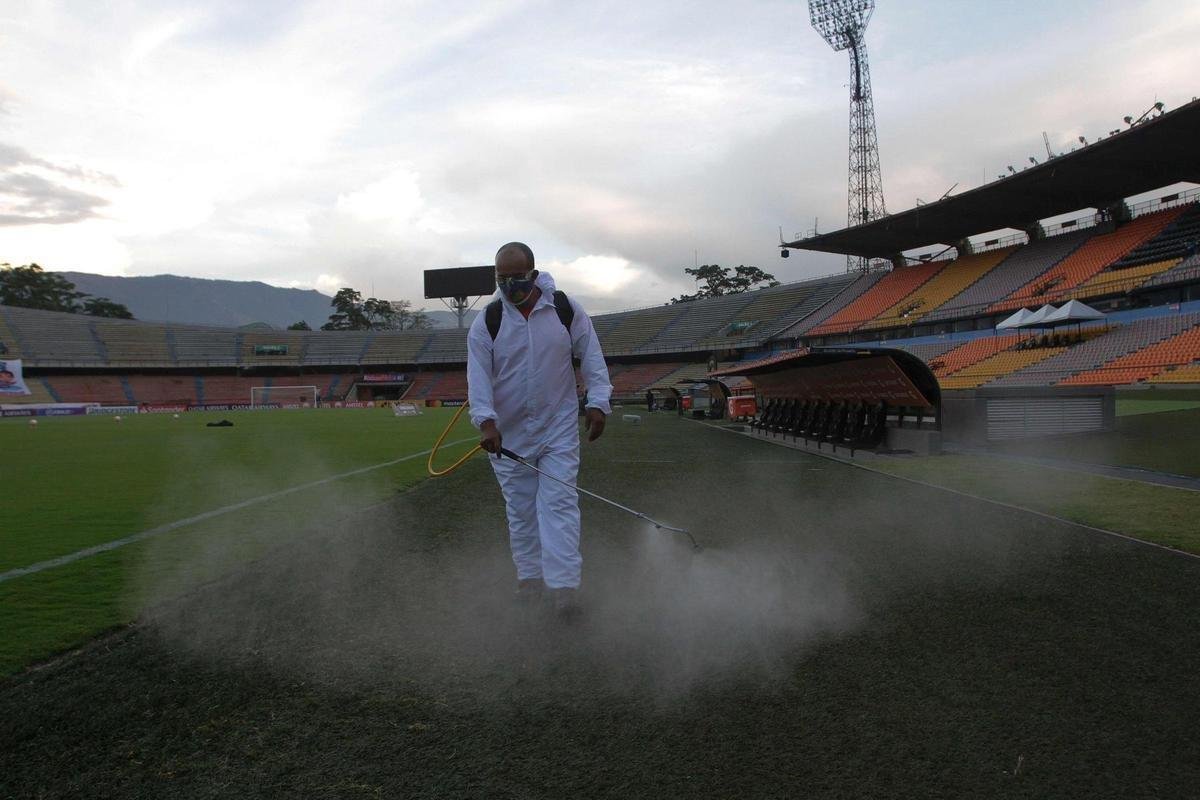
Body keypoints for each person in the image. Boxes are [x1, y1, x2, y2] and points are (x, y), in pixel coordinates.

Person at [466, 242, 612, 620]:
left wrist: (598, 402)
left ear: (533, 273)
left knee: (559, 503)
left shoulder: (565, 310)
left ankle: (564, 589)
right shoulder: (489, 320)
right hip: (508, 435)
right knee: (521, 510)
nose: (509, 283)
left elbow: (591, 356)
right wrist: (486, 422)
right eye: (502, 277)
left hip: (557, 428)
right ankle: (530, 580)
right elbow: (478, 376)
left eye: (516, 276)